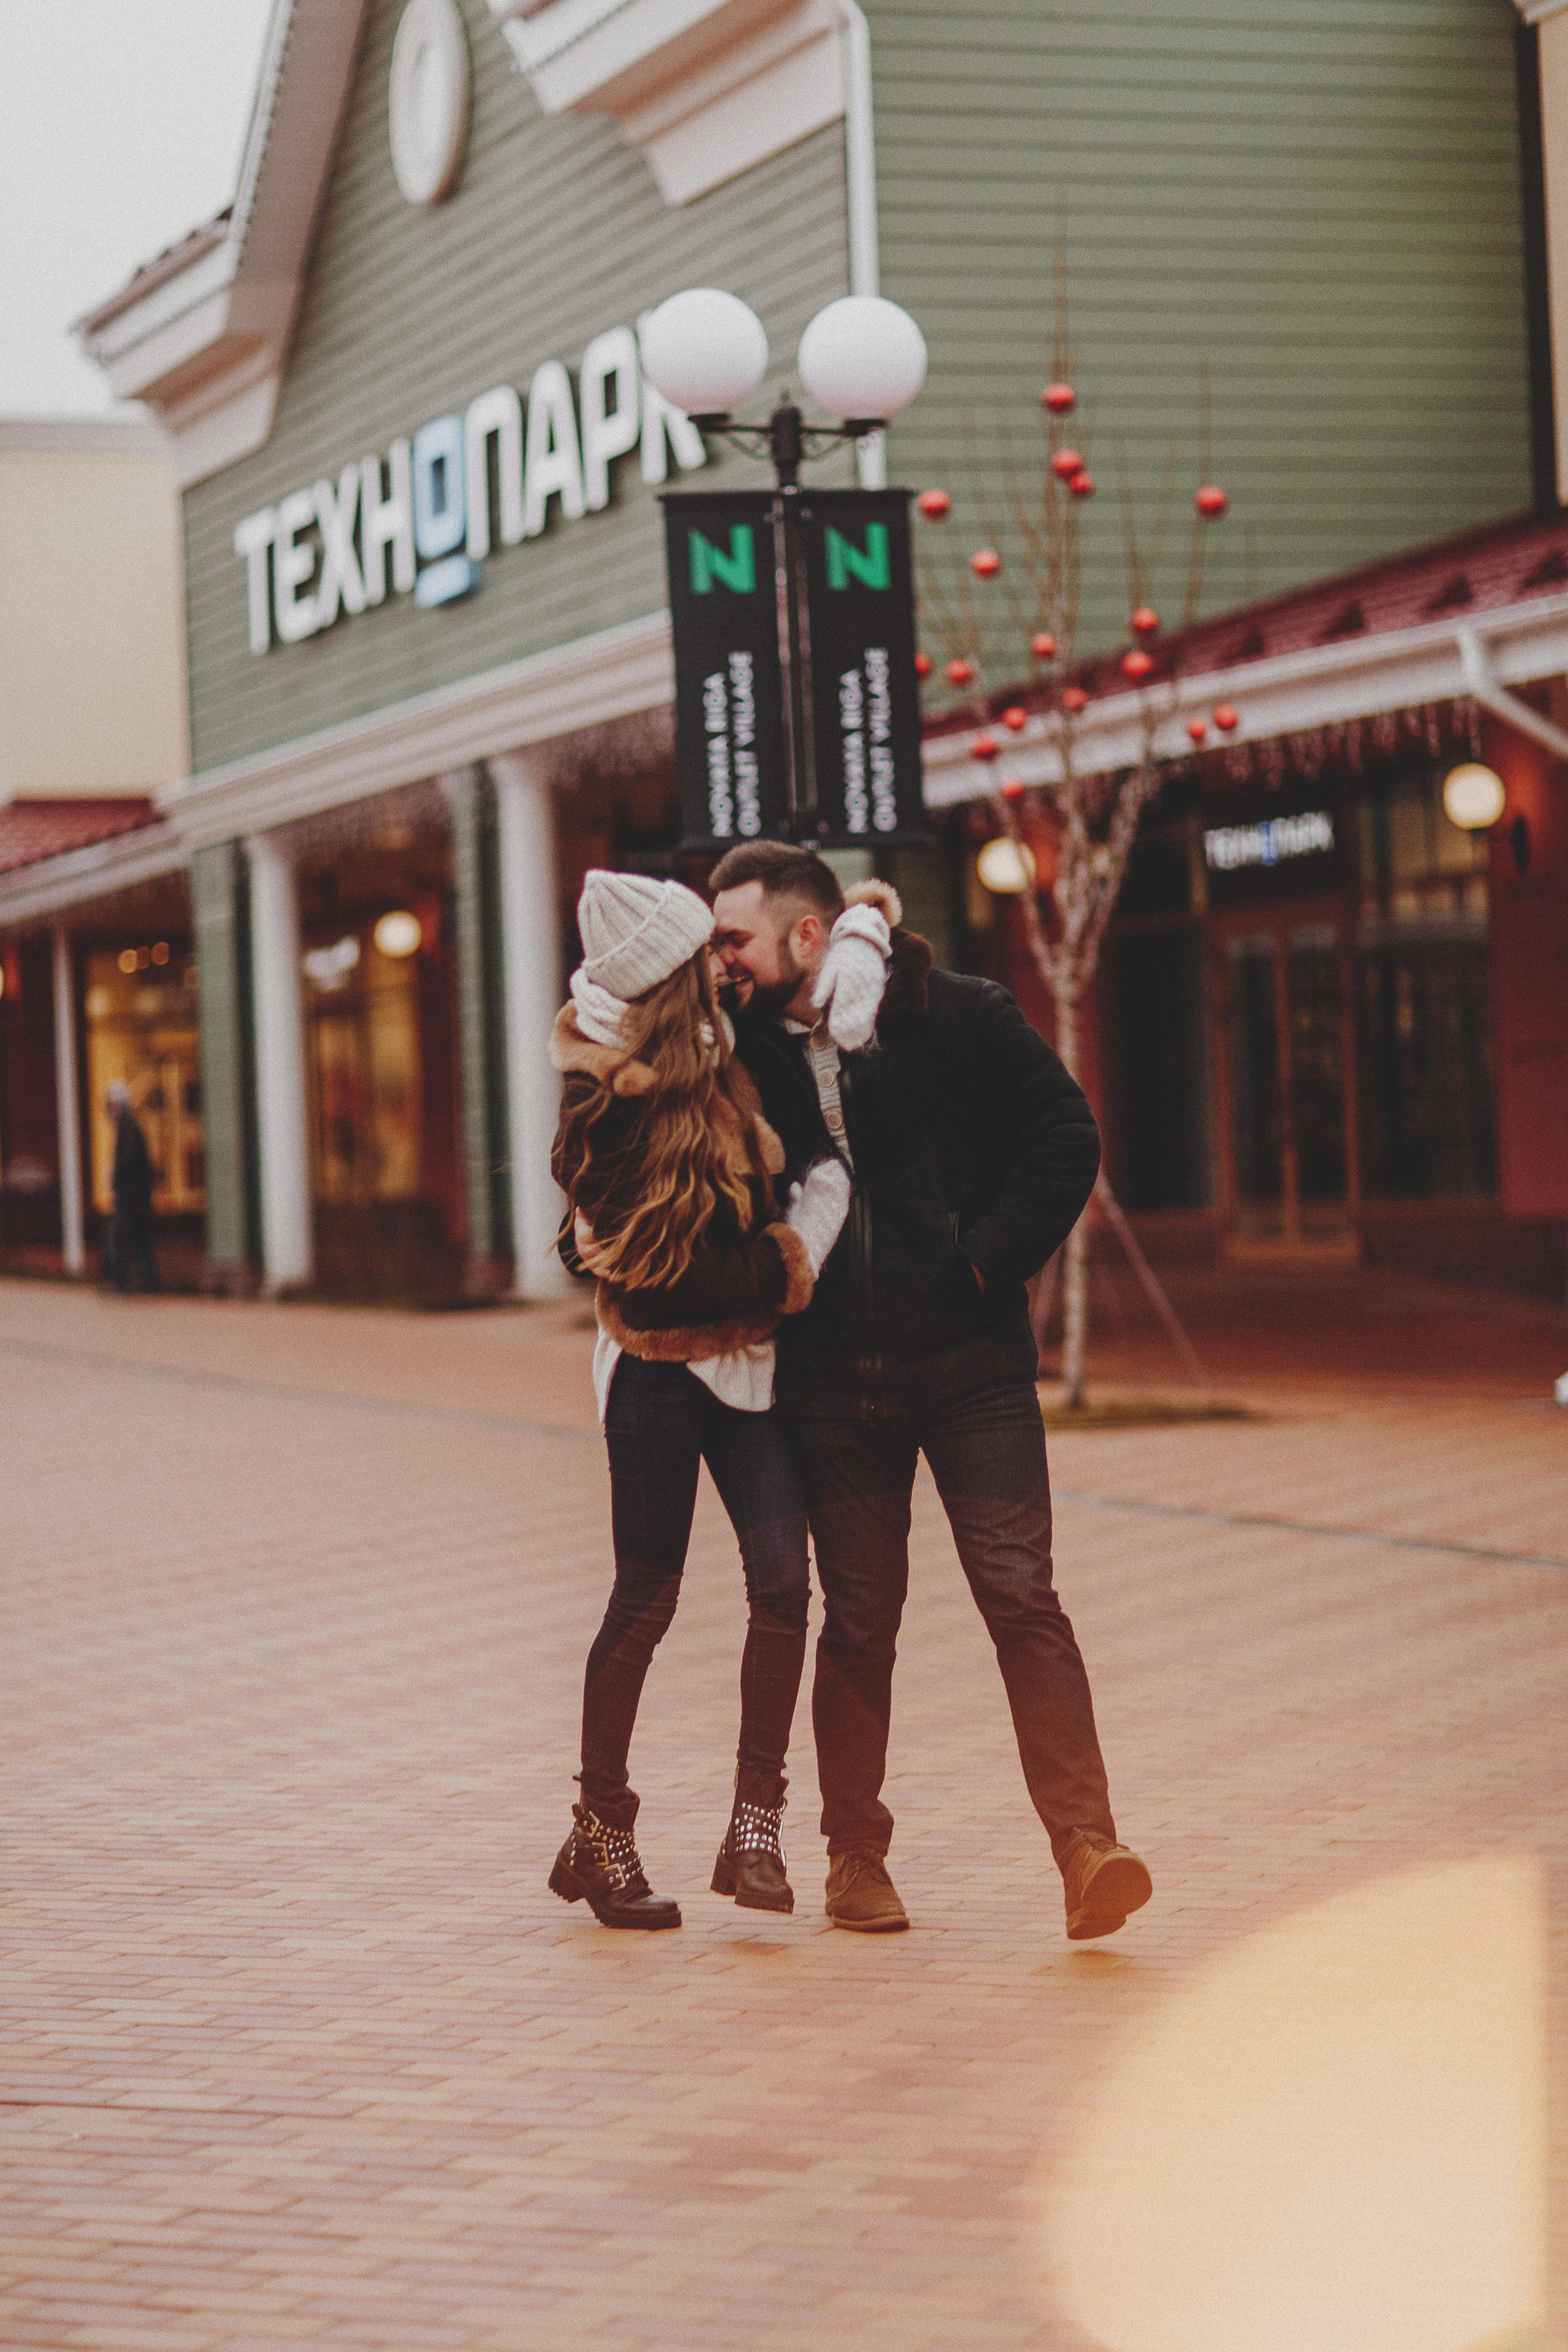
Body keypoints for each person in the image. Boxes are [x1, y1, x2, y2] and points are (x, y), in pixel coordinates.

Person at [709, 840, 1152, 1942]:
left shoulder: (954, 1013)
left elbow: (1066, 1136)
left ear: (806, 935)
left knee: (1021, 1596)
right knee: (861, 1622)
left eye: (736, 938)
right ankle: (856, 1858)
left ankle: (1088, 1848)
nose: (723, 960)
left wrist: (980, 1260)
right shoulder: (739, 1055)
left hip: (971, 1374)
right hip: (829, 1387)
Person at [548, 869, 851, 1931]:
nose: (725, 964)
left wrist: (796, 1245)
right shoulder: (602, 1094)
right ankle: (602, 1832)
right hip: (651, 1376)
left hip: (744, 1377)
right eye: (704, 954)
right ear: (671, 975)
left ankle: (755, 1823)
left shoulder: (743, 1057)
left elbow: (823, 1168)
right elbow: (645, 1274)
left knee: (782, 1582)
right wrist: (779, 1269)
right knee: (645, 1600)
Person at [105, 1080, 160, 1294]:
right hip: (137, 1197)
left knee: (118, 1238)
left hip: (130, 1197)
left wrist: (118, 1185)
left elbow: (128, 1163)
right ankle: (150, 1284)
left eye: (115, 1105)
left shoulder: (128, 1129)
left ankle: (122, 1282)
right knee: (141, 1239)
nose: (112, 1110)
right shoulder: (129, 1128)